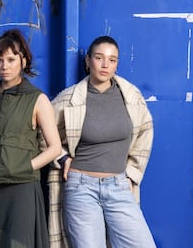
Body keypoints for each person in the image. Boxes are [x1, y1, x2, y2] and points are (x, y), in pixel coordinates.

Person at [48, 36, 156, 248]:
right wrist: (61, 157)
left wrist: (132, 174)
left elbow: (145, 132)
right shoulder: (69, 99)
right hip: (81, 188)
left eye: (112, 60)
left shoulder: (131, 97)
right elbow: (42, 131)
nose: (106, 65)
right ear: (88, 61)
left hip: (118, 186)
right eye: (99, 58)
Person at [0, 29, 62, 248]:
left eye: (11, 59)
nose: (4, 66)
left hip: (21, 191)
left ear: (23, 62)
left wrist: (24, 167)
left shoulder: (38, 100)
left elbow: (55, 148)